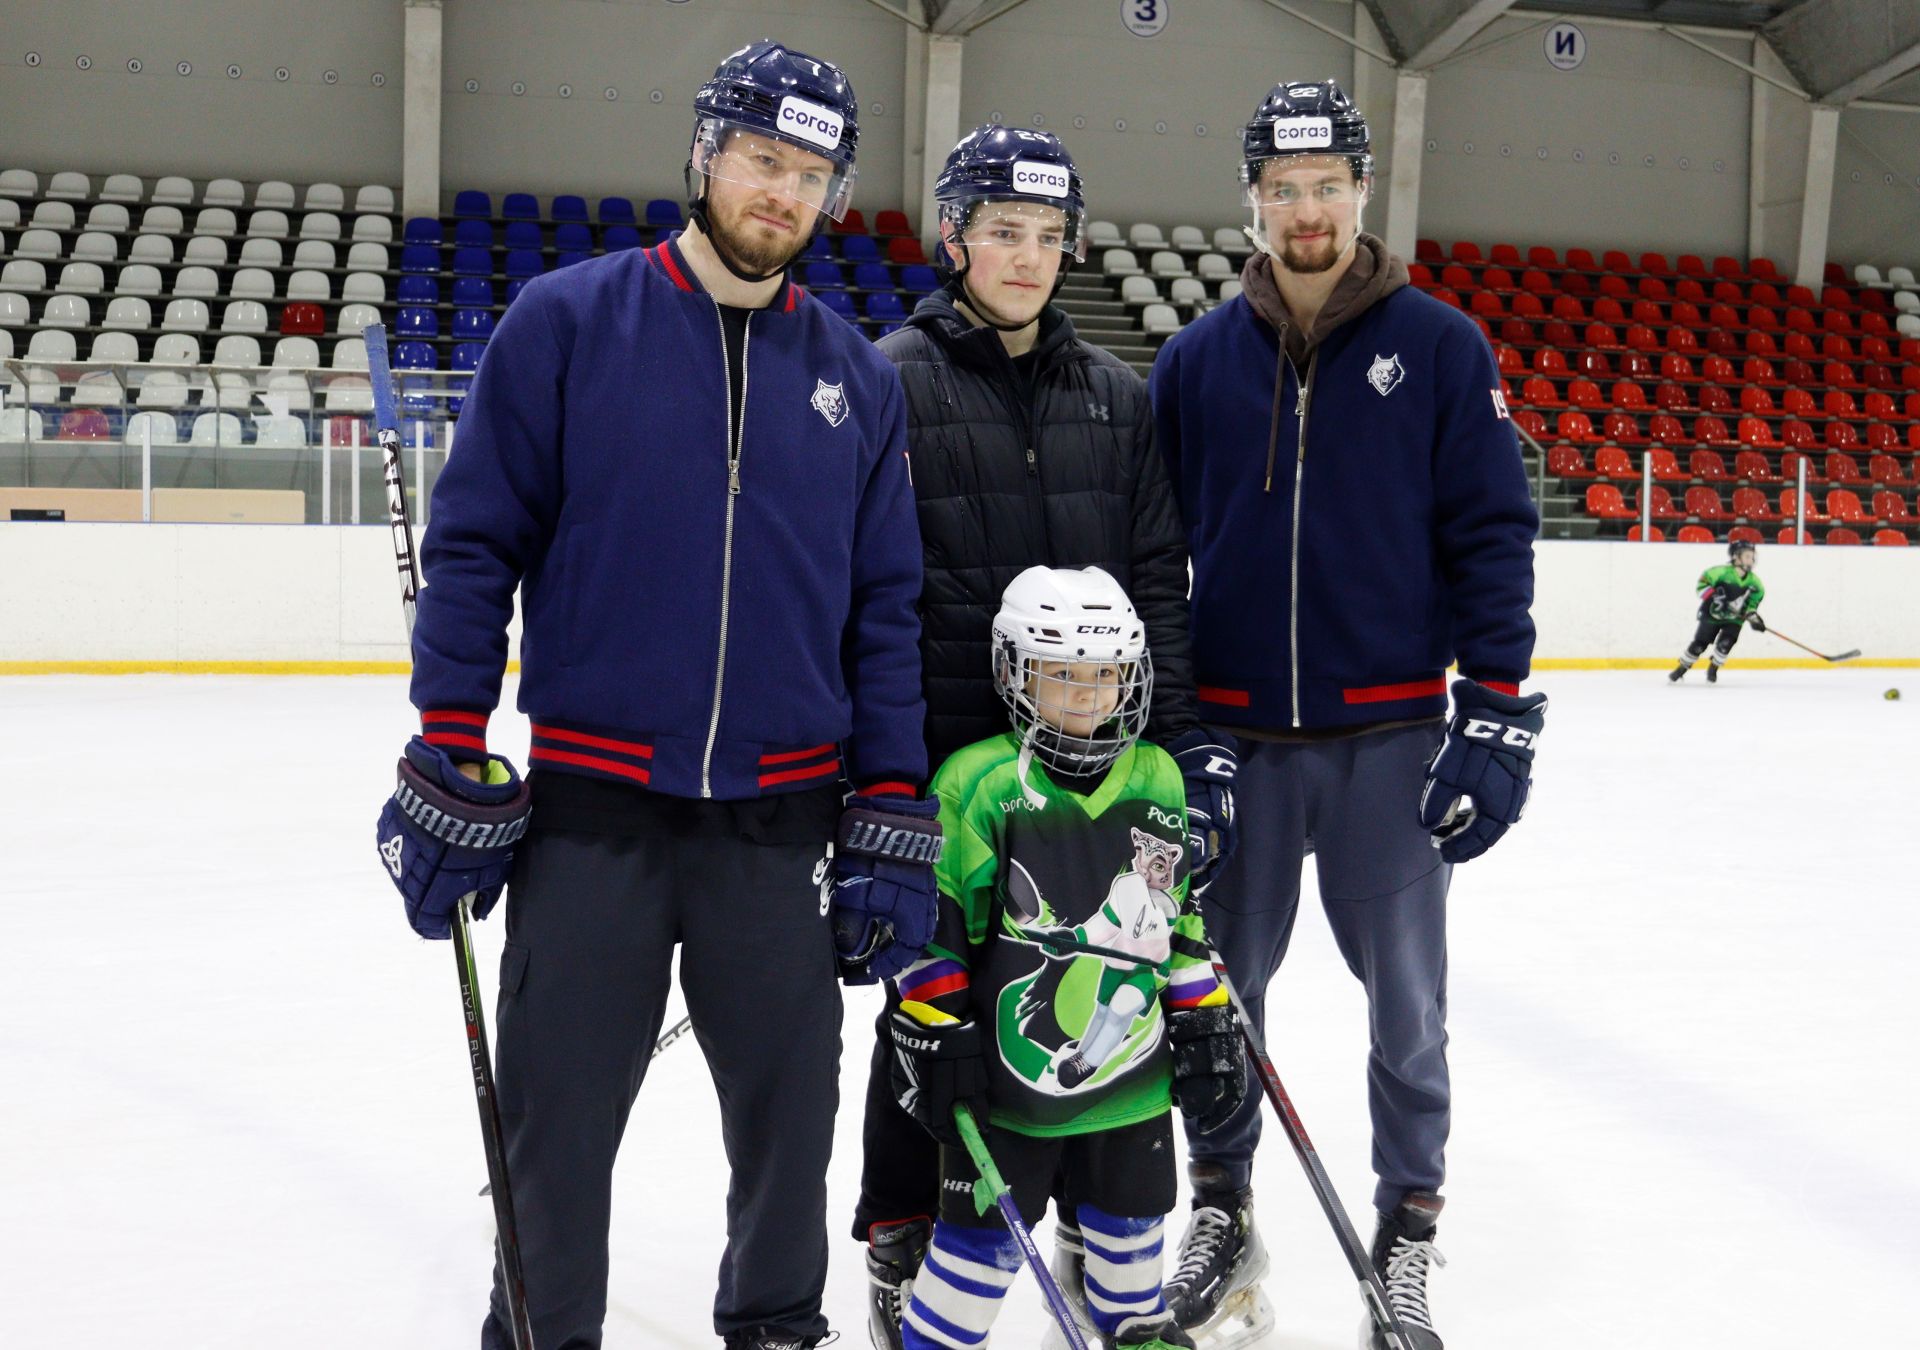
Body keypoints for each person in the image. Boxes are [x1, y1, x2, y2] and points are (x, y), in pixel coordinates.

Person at [374, 40, 939, 1350]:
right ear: (704, 156)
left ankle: (776, 1326)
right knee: (556, 1122)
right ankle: (542, 1327)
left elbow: (885, 610)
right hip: (591, 815)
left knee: (790, 1125)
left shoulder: (855, 378)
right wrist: (450, 745)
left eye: (811, 174)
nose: (780, 193)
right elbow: (473, 551)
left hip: (782, 825)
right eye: (761, 160)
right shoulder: (568, 324)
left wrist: (895, 800)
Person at [1148, 79, 1544, 1350]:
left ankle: (1407, 1226)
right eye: (1282, 192)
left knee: (1407, 1008)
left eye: (1326, 189)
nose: (1305, 213)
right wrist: (1179, 727)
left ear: (1362, 191)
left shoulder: (1439, 348)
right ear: (1252, 199)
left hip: (1389, 746)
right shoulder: (1198, 361)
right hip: (1238, 746)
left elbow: (1491, 535)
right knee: (1213, 999)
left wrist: (1492, 708)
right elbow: (1157, 559)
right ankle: (1222, 1203)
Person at [850, 125, 1237, 1348]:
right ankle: (907, 1230)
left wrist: (1179, 752)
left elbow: (1156, 589)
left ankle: (1094, 1214)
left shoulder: (1118, 399)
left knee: (1097, 969)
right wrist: (877, 776)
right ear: (955, 235)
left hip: (1095, 749)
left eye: (1049, 236)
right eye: (1003, 231)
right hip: (940, 756)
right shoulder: (886, 380)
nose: (1027, 256)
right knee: (937, 1011)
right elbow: (853, 589)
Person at [886, 566, 1246, 1350]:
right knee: (975, 1261)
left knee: (1131, 1262)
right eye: (1065, 677)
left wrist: (1205, 1015)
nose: (1089, 694)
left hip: (1134, 1089)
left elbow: (1177, 920)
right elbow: (939, 926)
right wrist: (936, 1023)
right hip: (1007, 1092)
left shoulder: (1157, 776)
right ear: (1017, 673)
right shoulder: (975, 783)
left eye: (1107, 675)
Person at [1669, 540, 1765, 683]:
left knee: (1725, 645)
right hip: (1711, 615)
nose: (1751, 560)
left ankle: (1713, 669)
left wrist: (1754, 618)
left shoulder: (1755, 583)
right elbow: (1701, 586)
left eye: (1752, 557)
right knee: (1699, 645)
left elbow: (1752, 604)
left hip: (1734, 619)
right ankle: (1682, 668)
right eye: (1747, 556)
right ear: (1735, 556)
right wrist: (1716, 598)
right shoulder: (1719, 572)